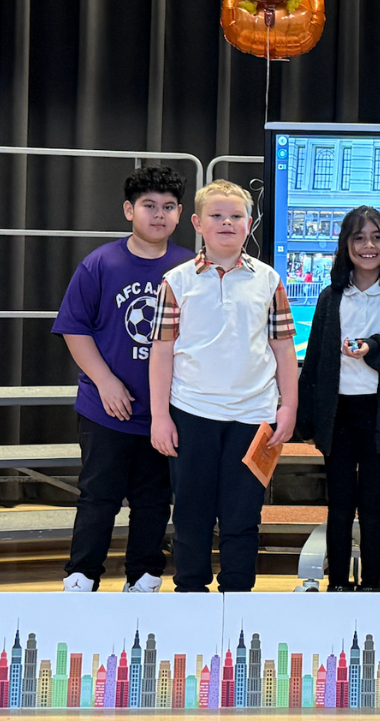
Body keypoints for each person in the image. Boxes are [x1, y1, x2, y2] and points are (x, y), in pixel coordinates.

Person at [149, 179, 298, 592]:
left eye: (235, 217)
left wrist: (288, 409)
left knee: (242, 515)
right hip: (191, 413)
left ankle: (237, 596)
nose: (226, 223)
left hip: (253, 417)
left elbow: (284, 350)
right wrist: (160, 416)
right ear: (197, 222)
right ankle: (190, 593)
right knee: (192, 514)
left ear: (249, 224)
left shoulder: (268, 280)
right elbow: (162, 353)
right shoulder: (176, 281)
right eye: (216, 216)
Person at [53, 165, 193, 593]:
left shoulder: (190, 268)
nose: (159, 215)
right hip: (106, 408)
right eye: (149, 206)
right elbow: (75, 328)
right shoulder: (100, 264)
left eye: (168, 207)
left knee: (154, 498)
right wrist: (106, 382)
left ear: (181, 213)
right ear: (129, 210)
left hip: (163, 412)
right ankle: (82, 576)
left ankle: (145, 576)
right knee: (99, 496)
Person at [297, 206, 380, 592]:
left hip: (379, 414)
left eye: (376, 238)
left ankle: (372, 584)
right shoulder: (331, 297)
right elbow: (316, 361)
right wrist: (306, 421)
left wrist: (373, 349)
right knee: (339, 505)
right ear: (345, 246)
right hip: (337, 414)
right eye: (358, 238)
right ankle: (337, 583)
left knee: (372, 506)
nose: (368, 246)